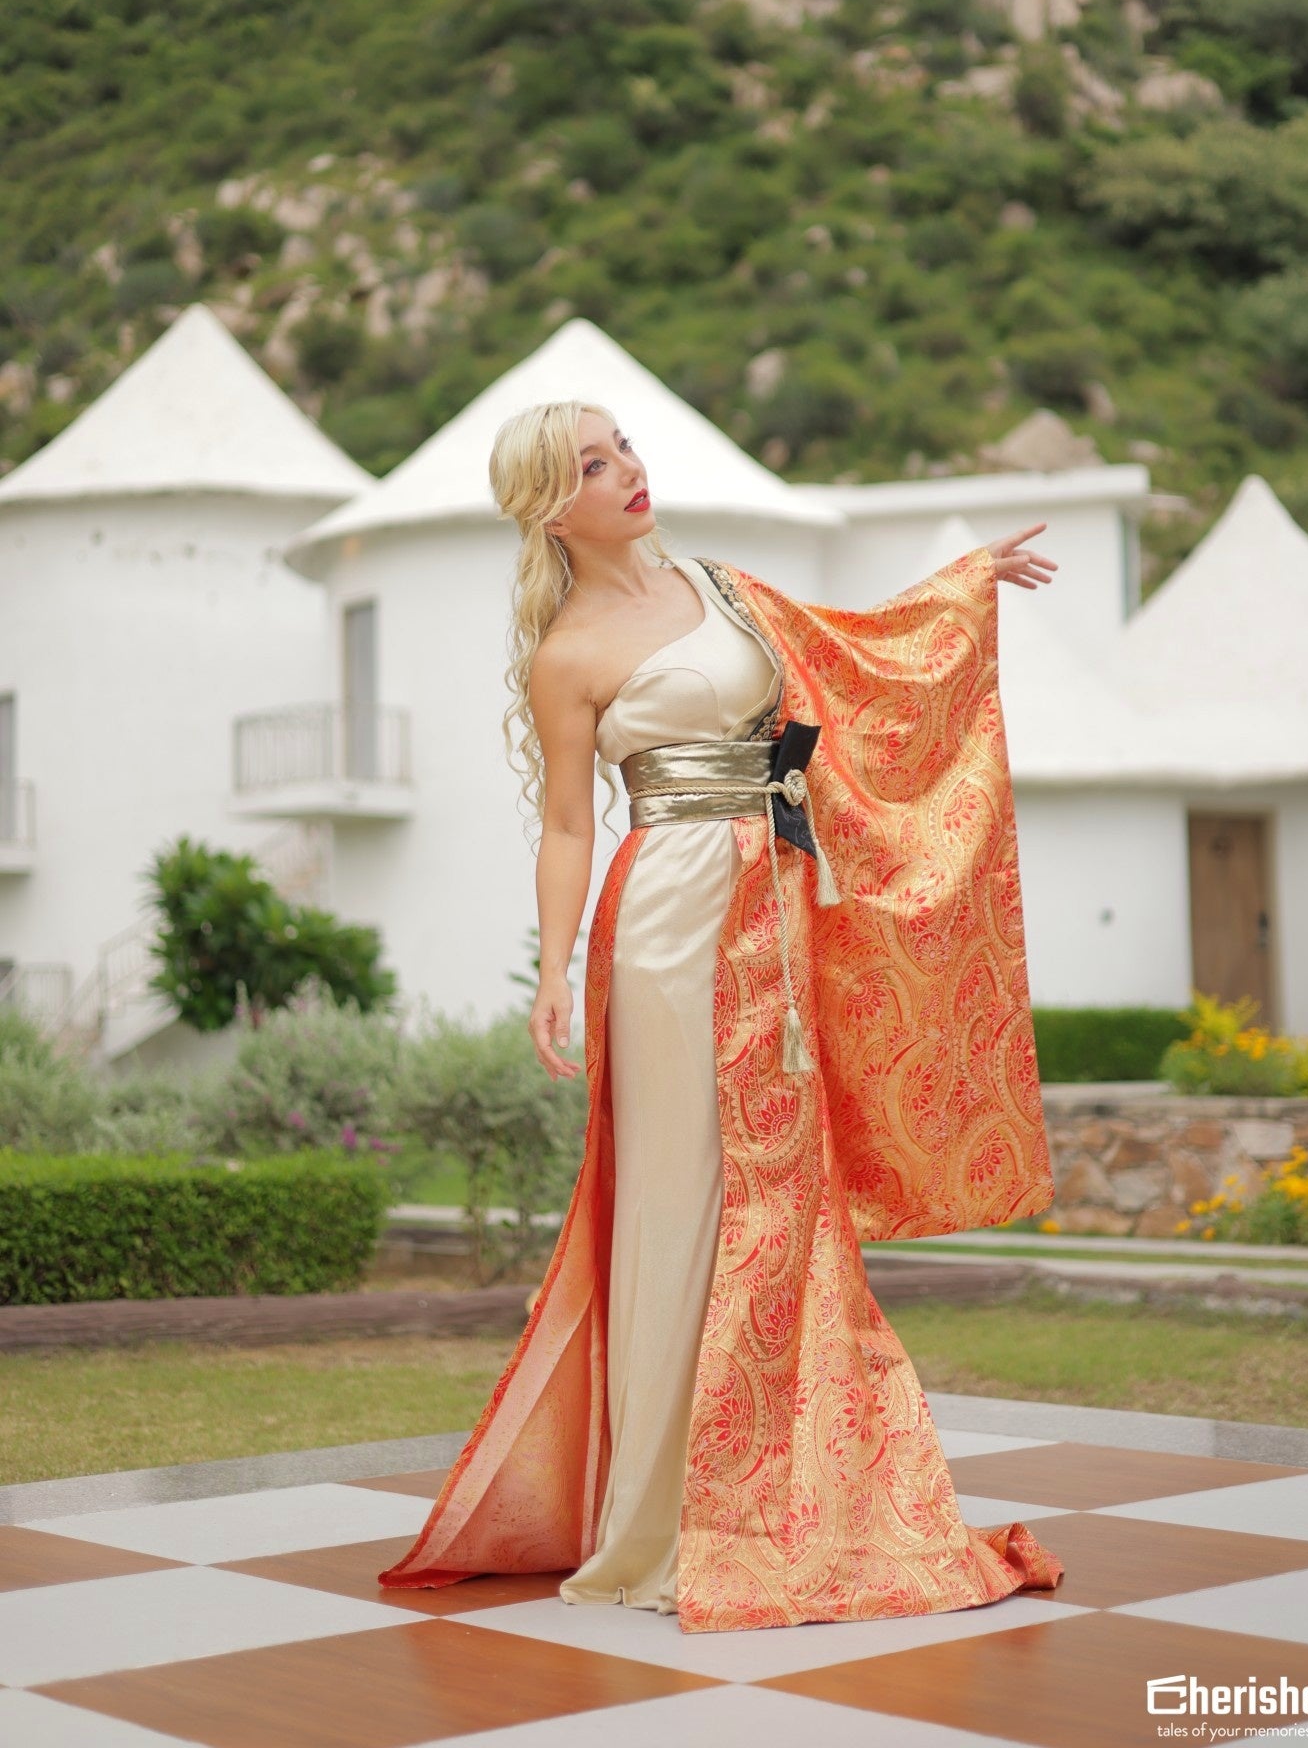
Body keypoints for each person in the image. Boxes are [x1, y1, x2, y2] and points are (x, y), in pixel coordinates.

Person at [380, 399, 1064, 1634]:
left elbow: (853, 658)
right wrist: (551, 971)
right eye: (593, 465)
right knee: (683, 1193)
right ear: (551, 510)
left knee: (789, 1193)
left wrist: (962, 587)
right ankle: (664, 1518)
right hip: (668, 923)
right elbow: (569, 826)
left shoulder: (720, 587)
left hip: (778, 912)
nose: (627, 472)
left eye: (625, 447)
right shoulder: (568, 654)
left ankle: (793, 1494)